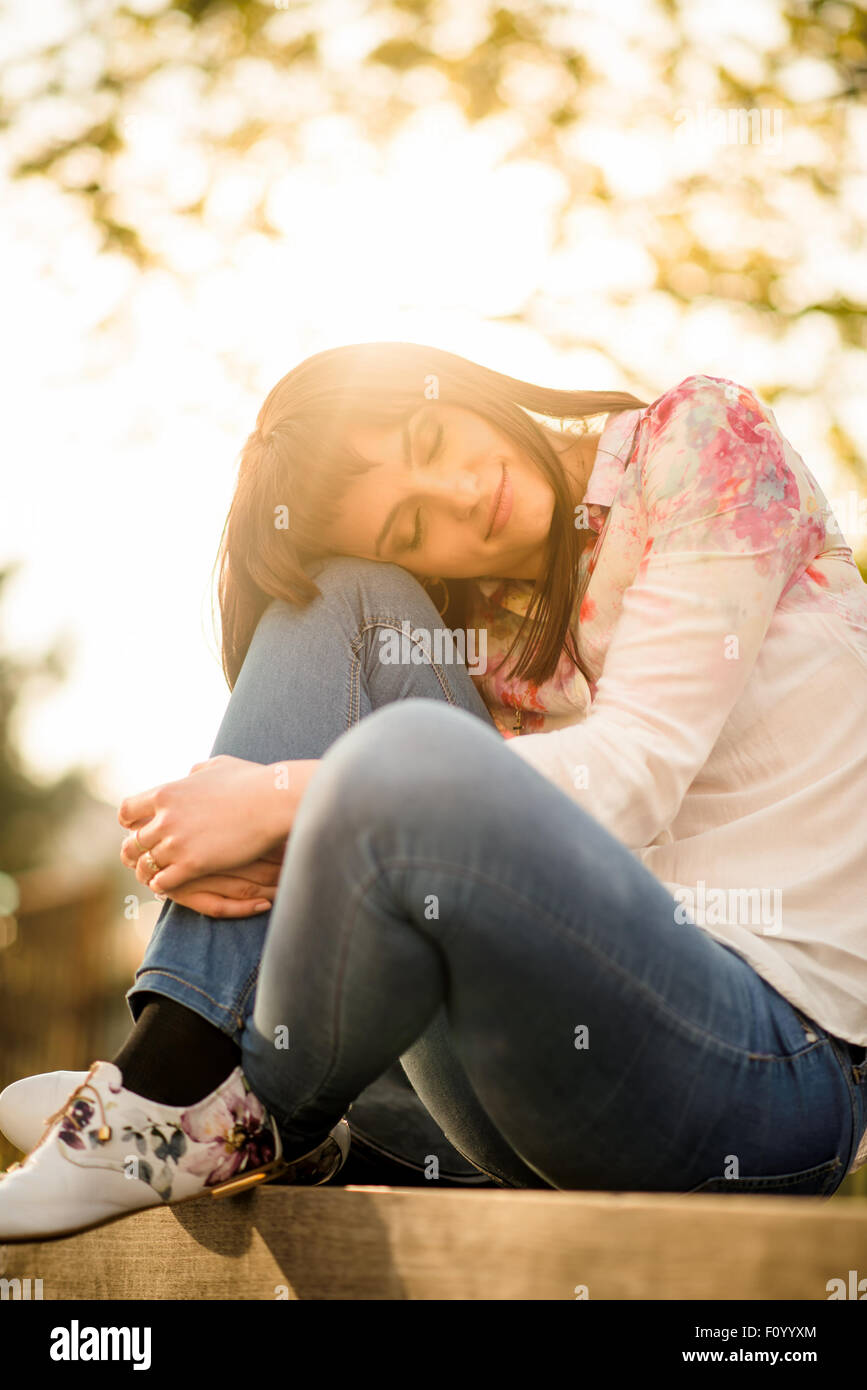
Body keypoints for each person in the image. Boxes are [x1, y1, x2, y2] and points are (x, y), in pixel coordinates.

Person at [2, 341, 866, 1243]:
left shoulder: (699, 441)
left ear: (453, 384)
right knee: (344, 597)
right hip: (517, 1112)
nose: (458, 495)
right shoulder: (476, 623)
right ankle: (192, 1089)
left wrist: (281, 794)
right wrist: (253, 829)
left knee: (405, 759)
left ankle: (172, 1101)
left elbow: (630, 775)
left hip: (776, 1079)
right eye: (413, 531)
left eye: (427, 437)